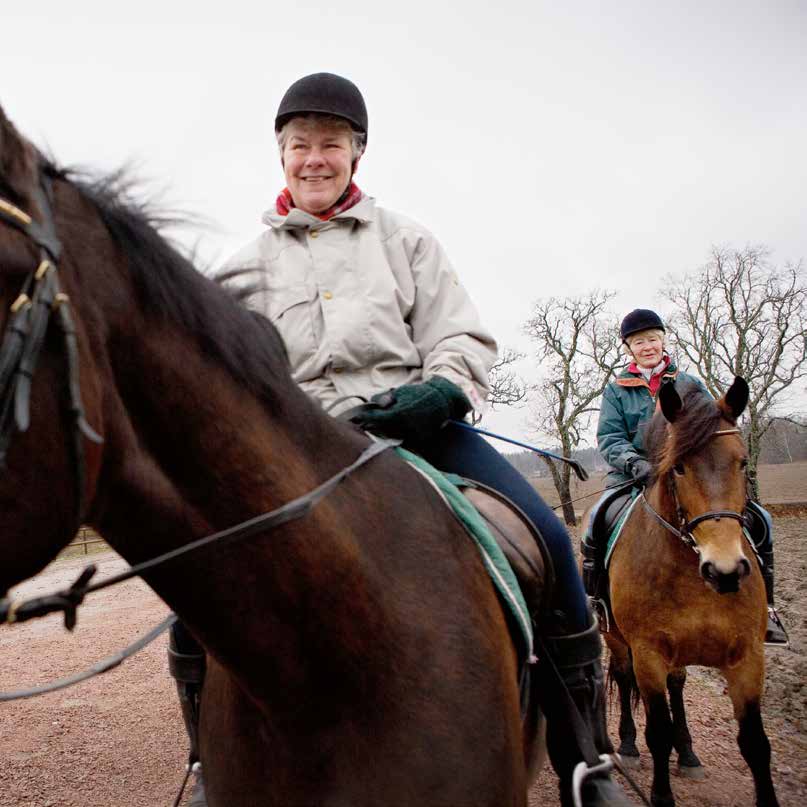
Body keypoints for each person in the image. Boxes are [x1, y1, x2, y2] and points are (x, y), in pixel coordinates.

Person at [169, 72, 631, 807]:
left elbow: (460, 334)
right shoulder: (239, 266)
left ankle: (586, 760)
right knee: (194, 587)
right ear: (279, 155)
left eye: (330, 143)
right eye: (298, 145)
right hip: (292, 451)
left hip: (414, 434)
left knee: (545, 538)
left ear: (357, 153)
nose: (313, 158)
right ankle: (205, 762)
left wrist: (437, 390)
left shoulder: (407, 240)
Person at [581, 308, 788, 646]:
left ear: (663, 340)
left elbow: (711, 426)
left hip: (687, 475)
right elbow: (609, 438)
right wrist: (634, 463)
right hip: (633, 476)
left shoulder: (690, 383)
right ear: (628, 348)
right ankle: (600, 604)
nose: (647, 346)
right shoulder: (616, 390)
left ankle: (766, 609)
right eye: (638, 342)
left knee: (760, 519)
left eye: (652, 338)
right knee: (598, 520)